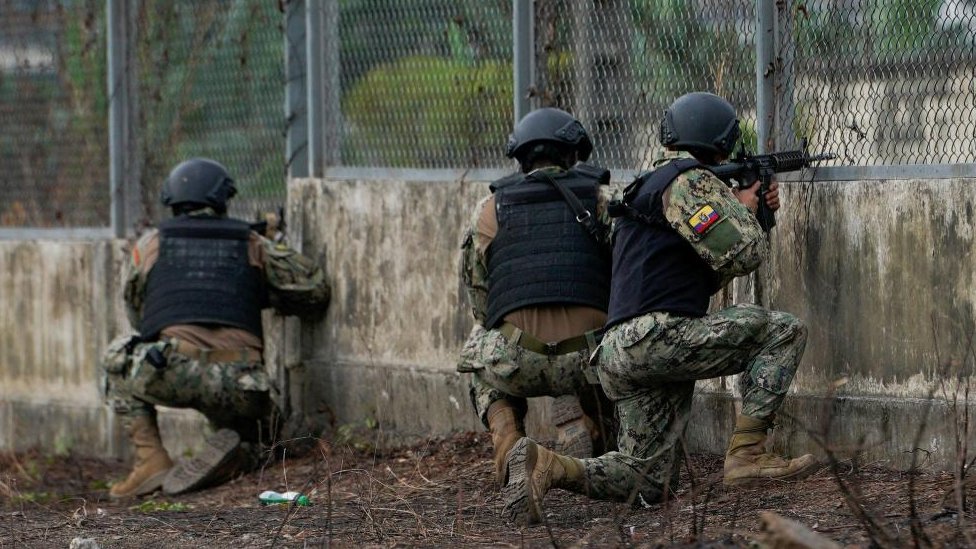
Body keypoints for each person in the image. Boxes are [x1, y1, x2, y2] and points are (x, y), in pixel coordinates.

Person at [502, 92, 819, 525]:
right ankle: (747, 455)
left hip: (619, 352)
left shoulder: (645, 186)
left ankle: (548, 465)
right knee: (784, 330)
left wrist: (746, 211)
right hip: (658, 337)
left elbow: (698, 270)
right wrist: (748, 212)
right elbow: (744, 254)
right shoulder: (690, 181)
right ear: (718, 142)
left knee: (645, 481)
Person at [101, 158, 330, 499]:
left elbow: (139, 314)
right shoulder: (253, 243)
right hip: (241, 383)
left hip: (172, 370)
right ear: (222, 199)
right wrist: (263, 284)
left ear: (173, 200)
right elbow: (314, 288)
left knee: (116, 358)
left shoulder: (151, 244)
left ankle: (151, 461)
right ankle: (243, 453)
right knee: (258, 435)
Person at [457, 107, 617, 487]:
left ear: (521, 157)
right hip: (588, 358)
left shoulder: (489, 209)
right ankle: (593, 428)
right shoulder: (602, 199)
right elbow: (626, 278)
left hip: (517, 359)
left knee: (478, 347)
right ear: (572, 153)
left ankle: (508, 440)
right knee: (612, 333)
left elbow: (481, 302)